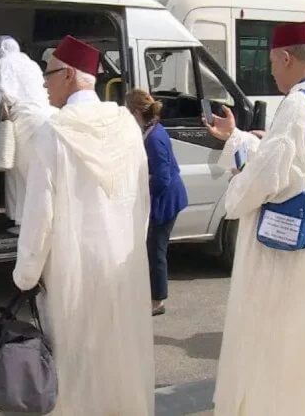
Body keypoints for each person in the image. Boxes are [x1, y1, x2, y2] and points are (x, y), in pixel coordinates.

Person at [205, 22, 305, 416]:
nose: (271, 71)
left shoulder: (297, 104)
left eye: (272, 62)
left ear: (286, 57)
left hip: (285, 258)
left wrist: (236, 189)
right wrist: (237, 139)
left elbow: (267, 177)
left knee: (274, 349)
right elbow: (294, 162)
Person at [12, 35, 155, 415]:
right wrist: (131, 248)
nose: (44, 82)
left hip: (71, 270)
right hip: (122, 266)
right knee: (120, 357)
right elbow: (143, 199)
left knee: (76, 366)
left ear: (70, 76)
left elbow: (39, 214)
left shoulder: (53, 133)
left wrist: (25, 274)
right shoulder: (126, 125)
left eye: (50, 73)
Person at [125, 88, 188, 316]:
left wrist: (140, 185)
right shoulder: (152, 131)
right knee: (153, 249)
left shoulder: (153, 138)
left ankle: (157, 301)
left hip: (166, 200)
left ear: (135, 112)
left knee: (155, 251)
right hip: (167, 197)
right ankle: (152, 295)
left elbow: (162, 178)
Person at [0, 35, 56, 233]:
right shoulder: (32, 64)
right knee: (37, 170)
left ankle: (24, 223)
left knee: (19, 172)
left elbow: (7, 95)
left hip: (26, 120)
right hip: (46, 117)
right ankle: (38, 219)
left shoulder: (5, 62)